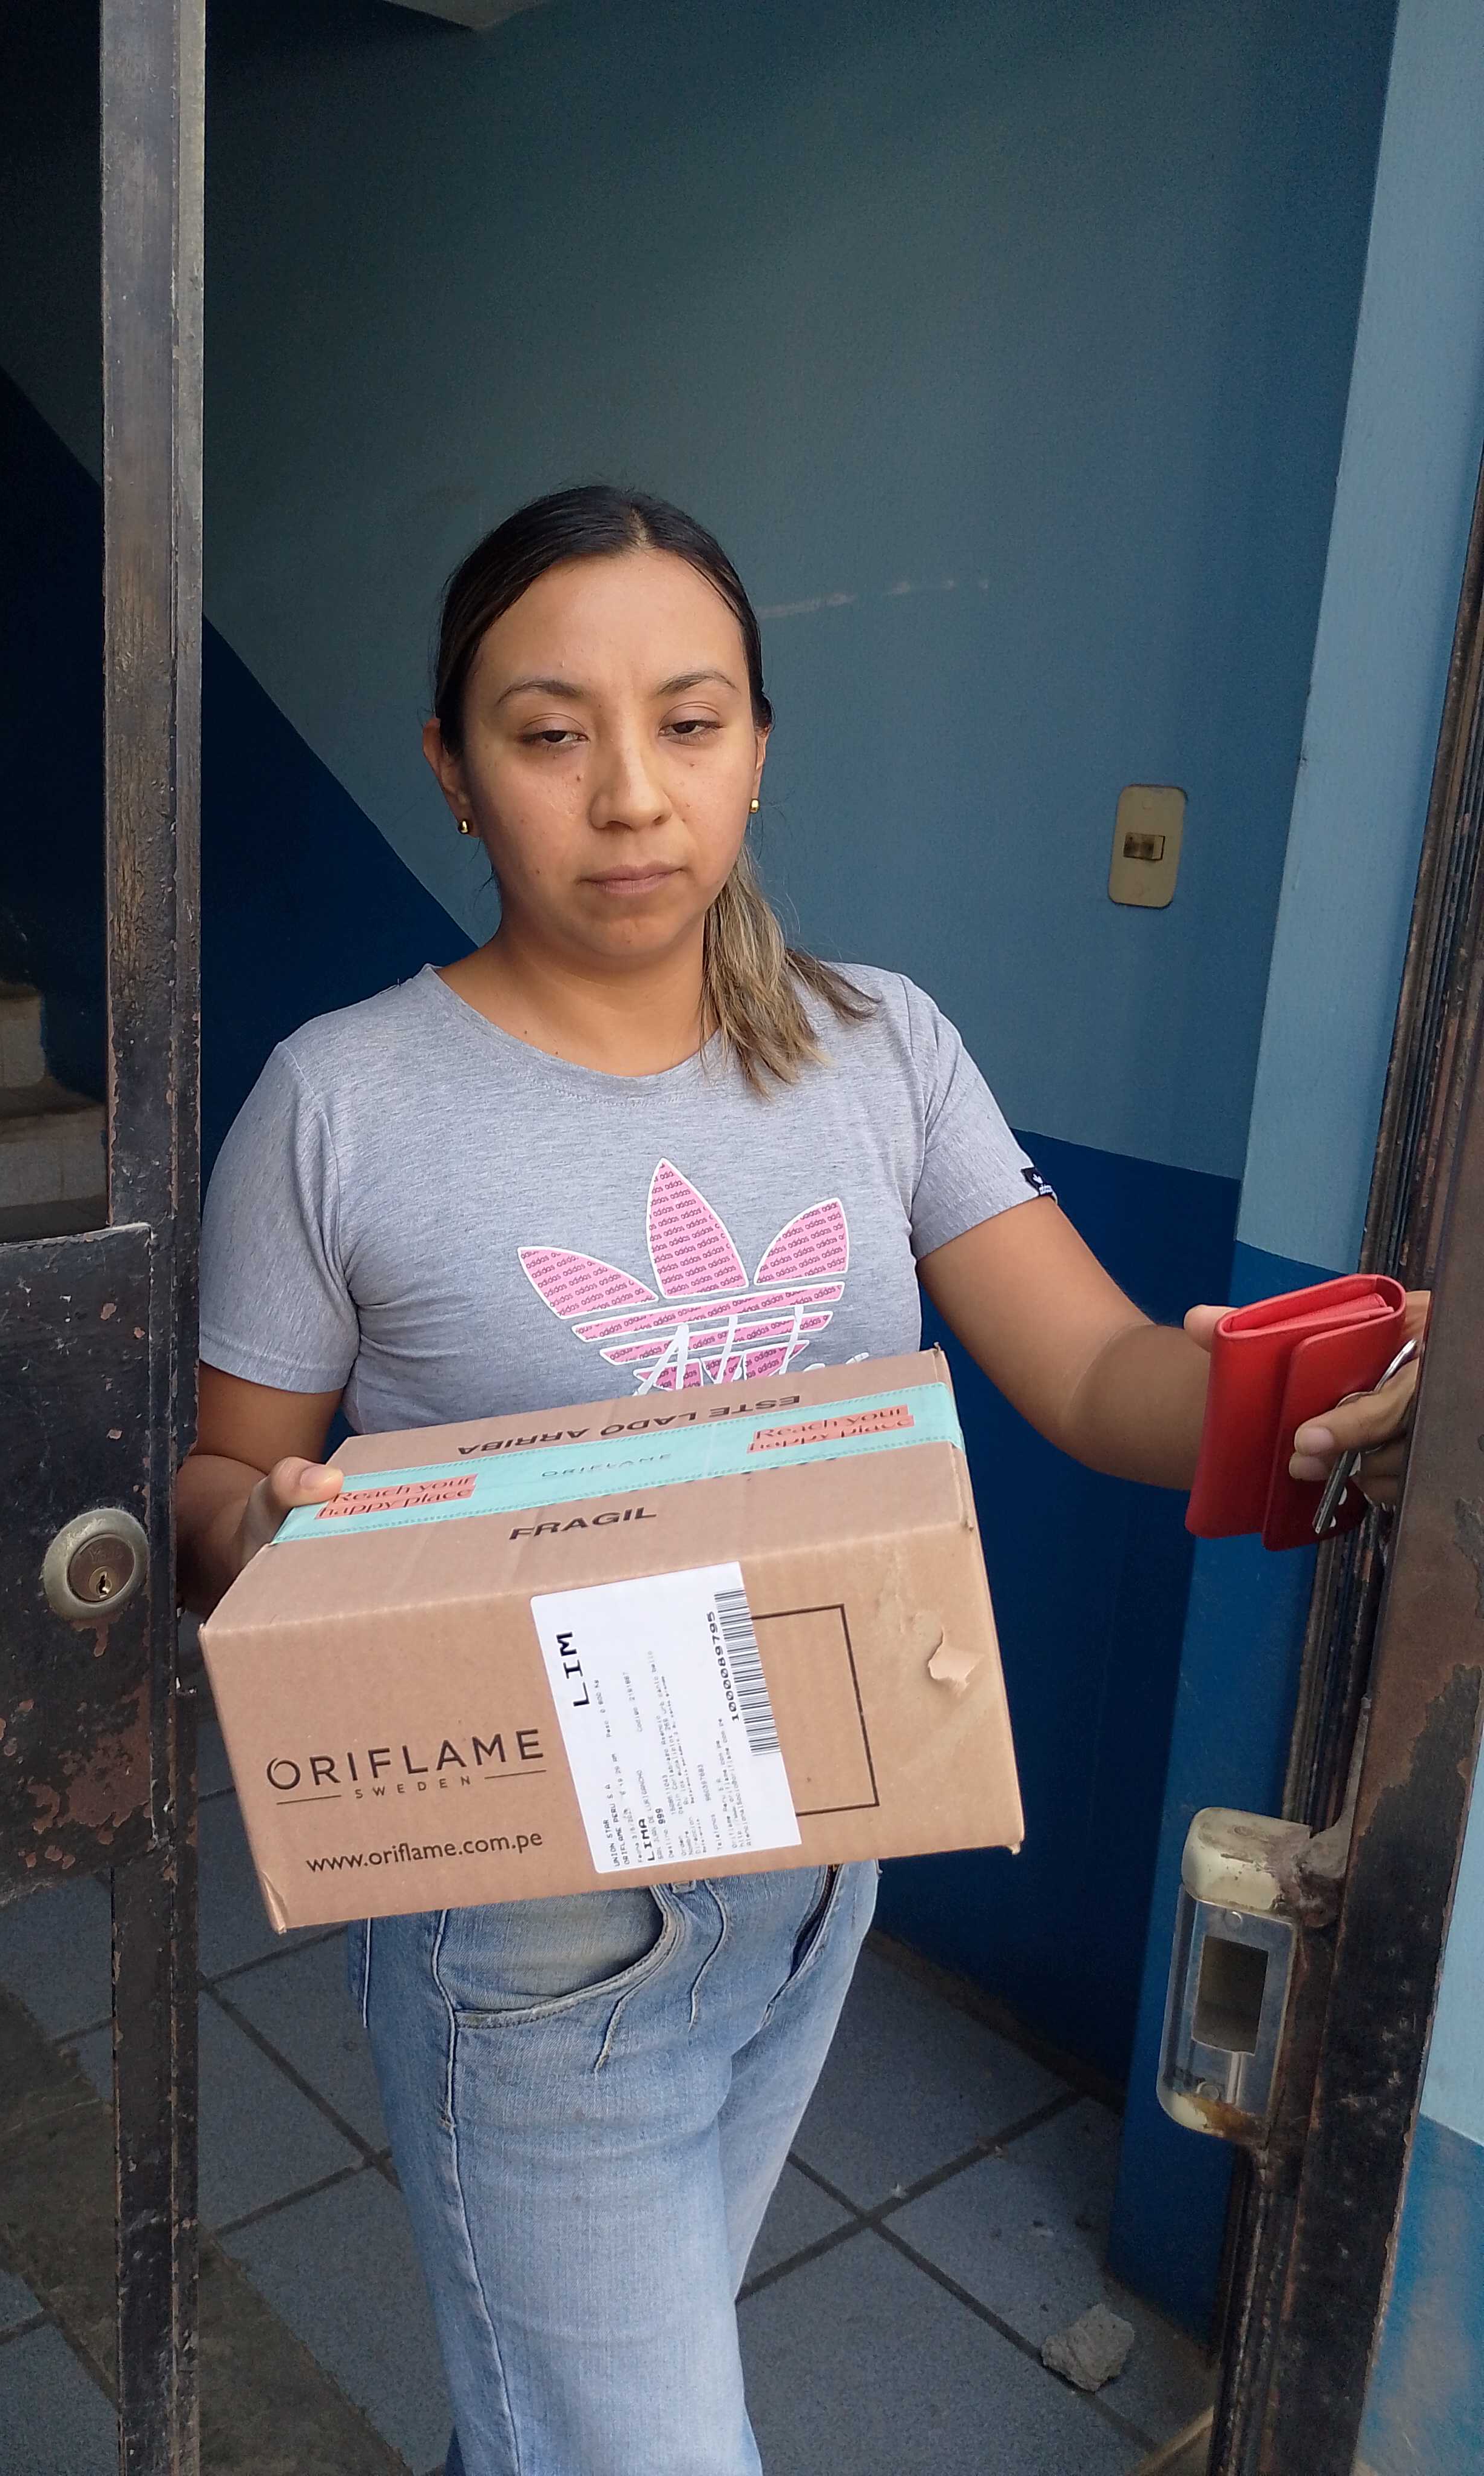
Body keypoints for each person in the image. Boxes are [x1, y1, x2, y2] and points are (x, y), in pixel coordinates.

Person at [177, 485, 1423, 2476]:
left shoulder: (876, 1049)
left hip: (814, 1860)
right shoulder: (340, 1105)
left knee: (562, 2418)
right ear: (454, 770)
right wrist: (269, 1530)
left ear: (758, 748)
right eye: (549, 733)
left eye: (688, 722)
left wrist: (1303, 1389)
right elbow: (217, 1489)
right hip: (532, 1921)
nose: (630, 795)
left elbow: (1096, 1372)